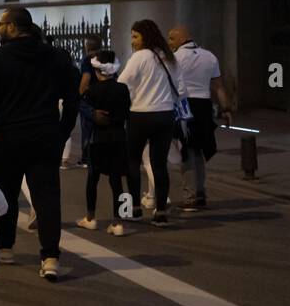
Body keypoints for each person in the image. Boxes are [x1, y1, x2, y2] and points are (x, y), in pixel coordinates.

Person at [0, 7, 79, 280]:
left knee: (6, 194)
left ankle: (6, 247)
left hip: (6, 137)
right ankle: (50, 256)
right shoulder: (57, 57)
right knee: (46, 197)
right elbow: (72, 99)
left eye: (0, 23)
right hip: (45, 136)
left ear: (12, 27)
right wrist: (62, 132)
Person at [118, 19, 185, 226]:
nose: (133, 41)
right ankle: (161, 211)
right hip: (165, 115)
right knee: (159, 164)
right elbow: (180, 89)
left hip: (140, 114)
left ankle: (136, 207)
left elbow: (122, 83)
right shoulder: (169, 57)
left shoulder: (139, 57)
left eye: (136, 36)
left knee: (132, 160)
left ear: (145, 37)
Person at [168, 25, 233, 212]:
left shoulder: (175, 58)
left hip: (185, 105)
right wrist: (226, 109)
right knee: (199, 150)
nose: (169, 42)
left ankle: (190, 197)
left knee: (186, 150)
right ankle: (200, 193)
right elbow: (218, 87)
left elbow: (170, 85)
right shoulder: (209, 56)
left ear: (182, 39)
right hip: (204, 106)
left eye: (171, 38)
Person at [76, 50, 130, 236]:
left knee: (93, 178)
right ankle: (120, 221)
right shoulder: (123, 89)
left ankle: (90, 218)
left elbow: (81, 106)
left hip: (97, 139)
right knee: (118, 181)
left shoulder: (92, 91)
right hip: (119, 138)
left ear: (97, 71)